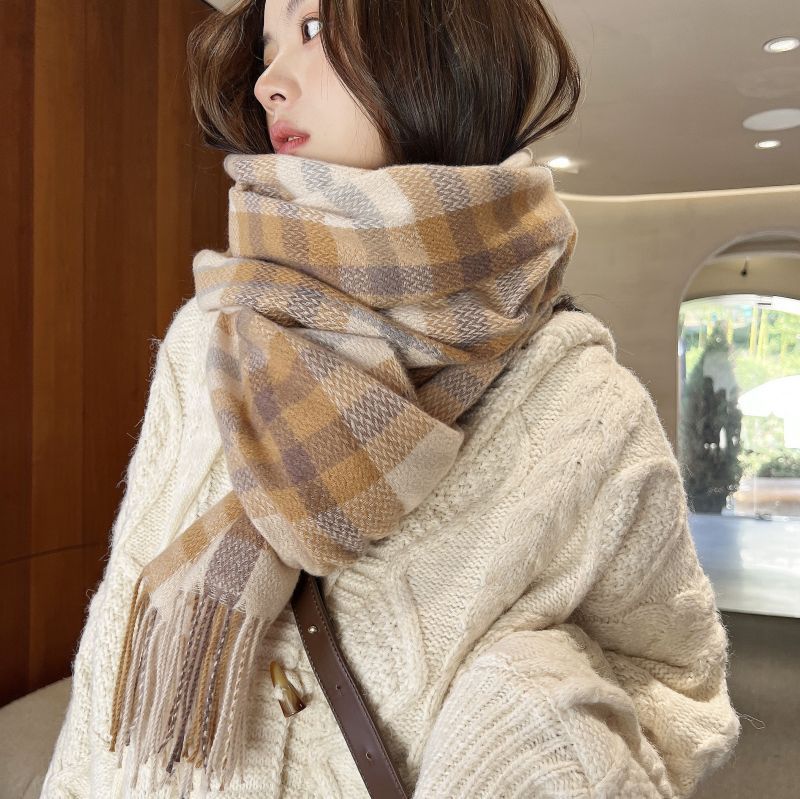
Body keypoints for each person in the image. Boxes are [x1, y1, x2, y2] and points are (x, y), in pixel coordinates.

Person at [41, 0, 741, 797]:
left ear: (437, 43)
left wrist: (539, 724)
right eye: (267, 47)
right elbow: (117, 631)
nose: (269, 81)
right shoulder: (206, 339)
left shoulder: (586, 409)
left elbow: (677, 685)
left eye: (313, 29)